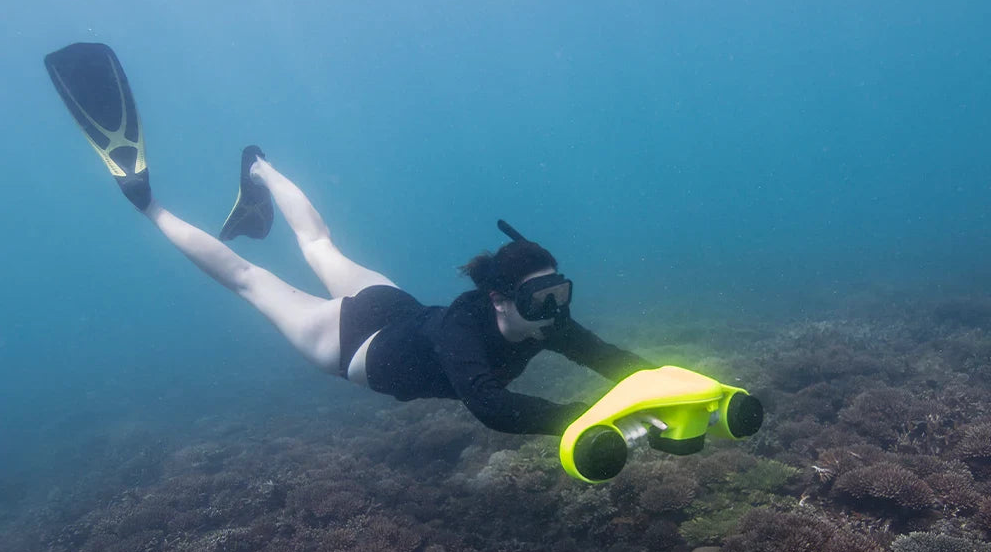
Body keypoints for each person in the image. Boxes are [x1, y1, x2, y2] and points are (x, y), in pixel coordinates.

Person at [45, 43, 653, 436]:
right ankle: (145, 201)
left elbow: (615, 362)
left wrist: (667, 386)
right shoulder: (465, 332)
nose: (553, 311)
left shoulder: (548, 323)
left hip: (400, 309)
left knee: (320, 246)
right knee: (250, 278)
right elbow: (491, 406)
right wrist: (594, 422)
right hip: (350, 342)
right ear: (498, 299)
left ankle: (260, 168)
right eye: (539, 300)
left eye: (559, 294)